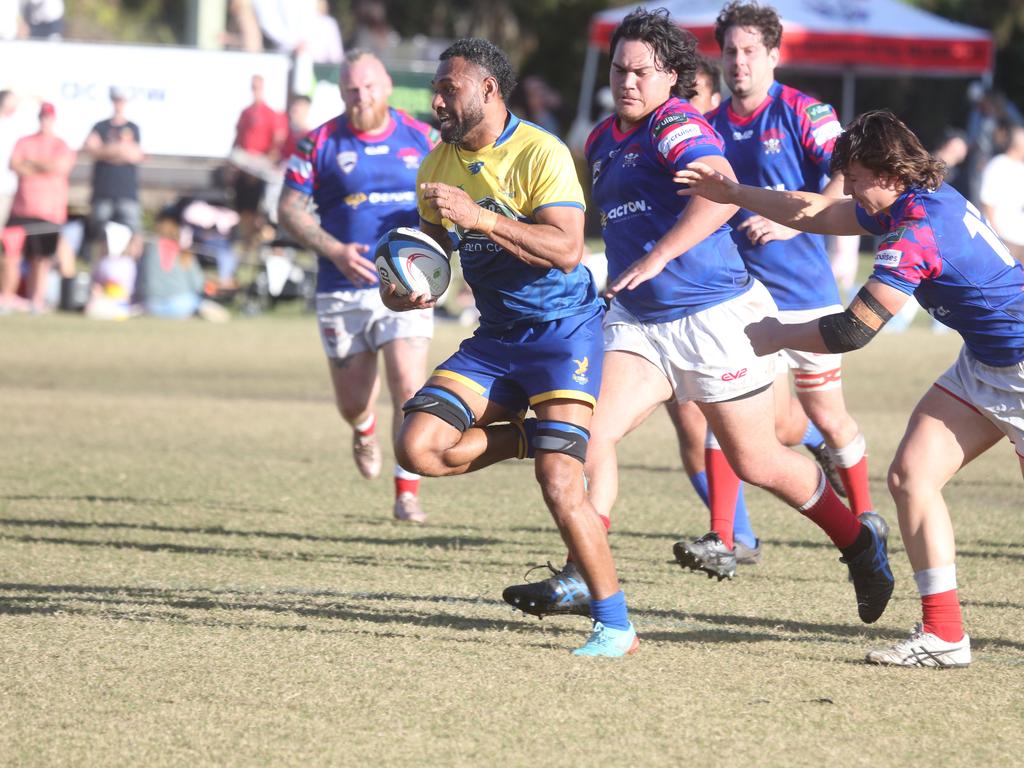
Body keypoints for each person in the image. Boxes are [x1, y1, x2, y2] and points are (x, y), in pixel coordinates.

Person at [504, 9, 893, 633]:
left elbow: (721, 189)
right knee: (586, 437)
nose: (626, 81)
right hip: (640, 323)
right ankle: (583, 571)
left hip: (714, 315)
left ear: (672, 77)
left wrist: (659, 255)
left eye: (641, 71)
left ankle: (857, 543)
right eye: (618, 69)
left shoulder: (677, 124)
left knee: (758, 462)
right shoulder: (602, 140)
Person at [677, 109, 1024, 668]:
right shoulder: (911, 202)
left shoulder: (914, 232)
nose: (851, 188)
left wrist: (772, 335)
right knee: (911, 477)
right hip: (987, 364)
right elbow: (812, 210)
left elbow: (851, 329)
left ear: (889, 172)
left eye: (857, 177)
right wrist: (735, 191)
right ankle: (944, 634)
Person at [382, 37, 638, 657]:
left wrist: (482, 217)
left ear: (488, 90)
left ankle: (616, 627)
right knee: (417, 446)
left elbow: (569, 249)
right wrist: (403, 290)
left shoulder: (539, 151)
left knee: (560, 480)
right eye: (437, 89)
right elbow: (433, 264)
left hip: (563, 332)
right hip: (496, 338)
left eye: (450, 88)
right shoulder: (434, 166)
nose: (438, 99)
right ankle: (528, 435)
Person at [679, 0, 880, 576]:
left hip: (806, 291)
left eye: (749, 52)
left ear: (773, 54)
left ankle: (866, 521)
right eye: (730, 52)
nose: (738, 62)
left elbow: (848, 166)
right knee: (724, 404)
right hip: (740, 298)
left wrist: (799, 214)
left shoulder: (800, 110)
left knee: (830, 418)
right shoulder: (709, 126)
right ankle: (723, 536)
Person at [277, 51, 438, 524]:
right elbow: (288, 209)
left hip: (405, 281)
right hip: (341, 286)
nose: (360, 97)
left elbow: (455, 189)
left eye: (369, 87)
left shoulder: (423, 137)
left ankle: (407, 492)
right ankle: (363, 428)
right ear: (342, 92)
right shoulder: (319, 142)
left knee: (409, 386)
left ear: (387, 86)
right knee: (352, 402)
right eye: (351, 89)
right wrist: (334, 250)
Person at [662, 54, 761, 565]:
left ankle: (854, 530)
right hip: (667, 309)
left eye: (694, 95)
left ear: (713, 101)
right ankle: (735, 536)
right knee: (690, 425)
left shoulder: (704, 142)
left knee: (773, 433)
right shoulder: (653, 136)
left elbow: (723, 200)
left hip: (738, 295)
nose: (683, 106)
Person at [1, 101, 74, 313]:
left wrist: (31, 163)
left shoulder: (61, 145)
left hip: (49, 211)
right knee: (10, 256)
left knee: (41, 260)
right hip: (21, 209)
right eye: (43, 117)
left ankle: (37, 301)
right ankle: (6, 298)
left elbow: (59, 167)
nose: (45, 121)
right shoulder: (24, 141)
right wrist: (42, 165)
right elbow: (15, 164)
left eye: (49, 117)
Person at [83, 86, 144, 250]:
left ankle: (130, 271)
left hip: (127, 192)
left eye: (122, 100)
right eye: (117, 99)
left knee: (133, 233)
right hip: (103, 191)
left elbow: (135, 155)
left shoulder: (133, 128)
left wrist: (106, 150)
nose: (119, 103)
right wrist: (119, 150)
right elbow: (92, 149)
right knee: (101, 235)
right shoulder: (100, 126)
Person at [229, 74, 287, 247]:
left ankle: (259, 236)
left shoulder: (270, 114)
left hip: (260, 167)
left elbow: (277, 142)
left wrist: (267, 161)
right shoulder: (246, 113)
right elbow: (239, 138)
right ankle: (246, 240)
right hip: (244, 167)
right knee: (244, 209)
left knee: (260, 208)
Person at [978, 123, 1024, 265]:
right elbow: (987, 202)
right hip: (1004, 239)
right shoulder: (998, 165)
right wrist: (996, 237)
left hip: (1019, 238)